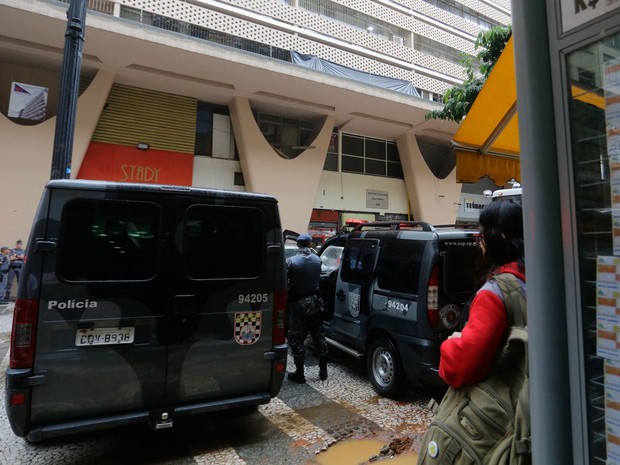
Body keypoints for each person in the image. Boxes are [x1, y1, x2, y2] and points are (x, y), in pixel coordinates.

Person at [439, 198, 525, 389]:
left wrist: (451, 343)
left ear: (499, 237)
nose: (480, 243)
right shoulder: (541, 281)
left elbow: (463, 366)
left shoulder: (494, 294)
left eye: (482, 235)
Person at [286, 233, 329, 383]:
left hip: (299, 304)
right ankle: (323, 370)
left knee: (296, 337)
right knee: (319, 335)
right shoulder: (318, 260)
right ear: (310, 244)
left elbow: (287, 282)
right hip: (316, 301)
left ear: (298, 244)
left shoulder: (291, 261)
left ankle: (300, 373)